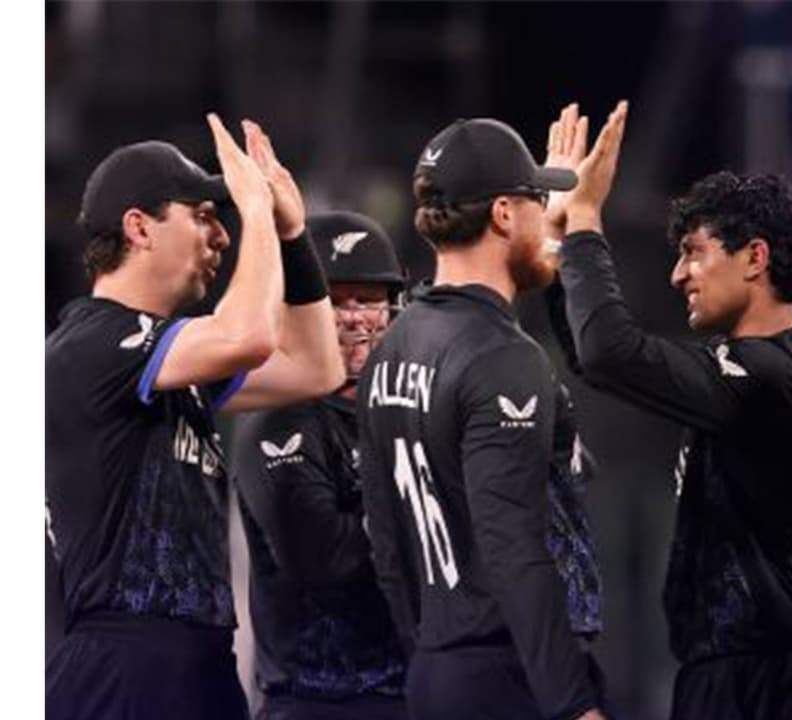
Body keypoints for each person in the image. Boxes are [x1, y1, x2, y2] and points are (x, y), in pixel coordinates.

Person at [547, 100, 792, 720]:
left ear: (755, 258)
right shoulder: (774, 370)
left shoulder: (774, 378)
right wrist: (560, 249)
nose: (677, 274)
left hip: (770, 682)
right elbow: (600, 358)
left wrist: (584, 221)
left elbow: (612, 353)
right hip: (748, 671)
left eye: (694, 252)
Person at [45, 114, 344, 720]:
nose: (223, 237)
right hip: (122, 659)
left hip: (196, 660)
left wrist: (291, 235)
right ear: (139, 227)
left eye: (224, 218)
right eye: (203, 216)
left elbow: (316, 368)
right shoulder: (92, 344)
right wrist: (255, 210)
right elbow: (250, 334)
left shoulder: (170, 361)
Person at [356, 116, 607, 720]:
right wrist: (574, 705)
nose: (546, 217)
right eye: (535, 200)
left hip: (440, 667)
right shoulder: (501, 355)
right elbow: (514, 547)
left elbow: (387, 546)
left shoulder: (390, 349)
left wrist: (432, 656)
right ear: (502, 213)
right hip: (512, 671)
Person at [228, 211, 410, 720]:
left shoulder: (408, 411)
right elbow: (327, 564)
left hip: (413, 697)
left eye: (369, 300)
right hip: (317, 702)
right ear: (298, 310)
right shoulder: (276, 419)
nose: (354, 317)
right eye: (335, 300)